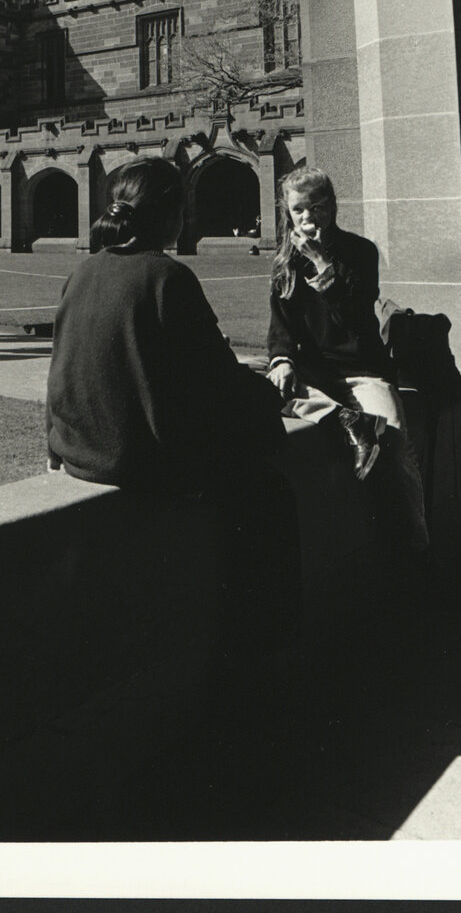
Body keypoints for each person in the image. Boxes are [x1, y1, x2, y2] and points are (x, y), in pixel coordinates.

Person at [46, 159, 300, 663]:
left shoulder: (82, 270)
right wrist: (271, 394)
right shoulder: (167, 275)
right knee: (271, 493)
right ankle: (263, 659)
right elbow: (219, 383)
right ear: (172, 215)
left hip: (78, 451)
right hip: (135, 460)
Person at [267, 166, 429, 554]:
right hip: (313, 374)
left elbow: (355, 319)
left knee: (396, 447)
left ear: (333, 206)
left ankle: (416, 551)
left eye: (317, 207)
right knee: (258, 383)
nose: (308, 218)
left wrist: (323, 266)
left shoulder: (360, 251)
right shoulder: (285, 259)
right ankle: (348, 420)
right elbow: (281, 324)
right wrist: (281, 359)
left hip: (362, 369)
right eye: (299, 210)